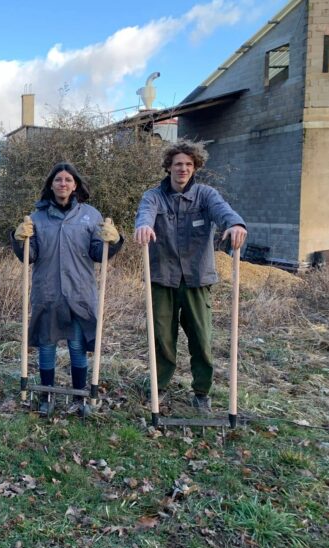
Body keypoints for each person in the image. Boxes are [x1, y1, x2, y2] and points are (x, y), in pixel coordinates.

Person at [134, 140, 247, 412]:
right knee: (162, 337)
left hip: (197, 279)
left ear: (194, 166)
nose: (182, 168)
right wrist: (144, 227)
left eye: (188, 164)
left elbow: (224, 212)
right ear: (168, 167)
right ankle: (159, 386)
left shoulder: (206, 195)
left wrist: (234, 225)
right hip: (162, 279)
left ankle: (201, 392)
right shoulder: (154, 196)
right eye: (177, 164)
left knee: (201, 338)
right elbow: (144, 214)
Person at [13, 162, 123, 414]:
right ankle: (47, 396)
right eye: (58, 180)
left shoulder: (91, 216)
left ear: (75, 185)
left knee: (76, 344)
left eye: (68, 180)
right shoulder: (37, 218)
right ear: (51, 185)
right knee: (47, 344)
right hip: (47, 291)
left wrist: (114, 241)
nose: (63, 184)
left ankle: (79, 397)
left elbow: (99, 253)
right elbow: (29, 257)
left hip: (79, 292)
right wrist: (19, 241)